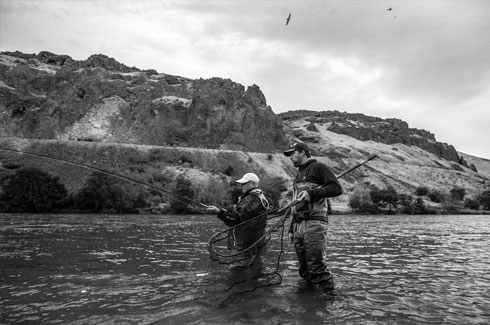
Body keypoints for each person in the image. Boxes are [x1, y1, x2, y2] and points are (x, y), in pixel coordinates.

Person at [283, 142, 342, 293]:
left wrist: (312, 192)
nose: (290, 157)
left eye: (292, 153)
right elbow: (296, 206)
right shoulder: (298, 176)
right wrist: (291, 228)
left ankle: (330, 300)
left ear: (302, 152)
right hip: (298, 226)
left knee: (316, 267)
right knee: (304, 268)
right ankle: (308, 300)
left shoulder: (318, 167)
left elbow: (336, 188)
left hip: (314, 224)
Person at [207, 173, 270, 268]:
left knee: (237, 270)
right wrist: (224, 211)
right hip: (258, 241)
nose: (242, 186)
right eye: (242, 183)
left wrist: (218, 212)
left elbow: (235, 220)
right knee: (257, 269)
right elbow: (242, 215)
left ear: (253, 184)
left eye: (244, 183)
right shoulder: (259, 197)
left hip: (245, 244)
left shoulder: (250, 199)